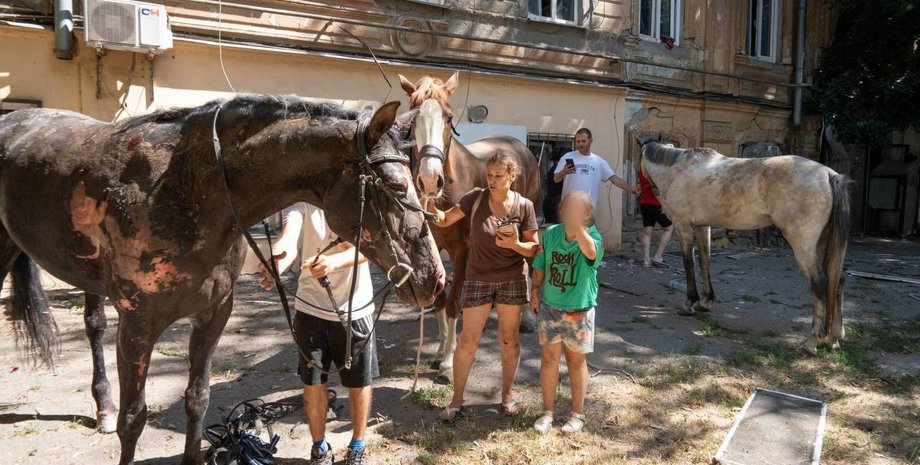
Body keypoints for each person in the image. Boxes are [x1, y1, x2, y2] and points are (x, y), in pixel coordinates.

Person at [259, 203, 377, 465]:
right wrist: (276, 263)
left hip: (355, 310)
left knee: (358, 382)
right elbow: (288, 240)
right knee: (312, 383)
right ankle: (319, 447)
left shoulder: (357, 198)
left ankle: (357, 446)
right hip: (310, 310)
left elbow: (369, 249)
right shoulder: (302, 202)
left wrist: (333, 261)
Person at [425, 151, 540, 423]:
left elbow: (534, 248)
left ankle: (507, 396)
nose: (492, 180)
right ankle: (456, 400)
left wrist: (514, 245)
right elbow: (443, 219)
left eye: (499, 175)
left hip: (512, 279)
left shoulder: (524, 206)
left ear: (512, 176)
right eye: (489, 175)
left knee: (508, 340)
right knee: (467, 340)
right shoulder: (474, 198)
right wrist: (427, 199)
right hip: (477, 278)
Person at [530, 191, 603, 434]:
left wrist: (577, 227)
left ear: (588, 214)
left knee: (576, 361)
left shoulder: (592, 236)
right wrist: (534, 291)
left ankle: (577, 414)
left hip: (579, 311)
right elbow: (540, 265)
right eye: (566, 207)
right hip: (550, 307)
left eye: (575, 208)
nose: (568, 210)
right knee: (549, 360)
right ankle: (547, 413)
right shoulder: (550, 234)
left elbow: (591, 253)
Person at [554, 128, 638, 206]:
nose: (580, 144)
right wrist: (563, 172)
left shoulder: (599, 162)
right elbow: (556, 179)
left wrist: (631, 188)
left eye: (583, 141)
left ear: (591, 140)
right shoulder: (567, 157)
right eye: (578, 141)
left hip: (588, 209)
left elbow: (614, 178)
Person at [638, 171, 674, 267]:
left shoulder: (641, 172)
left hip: (644, 203)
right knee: (669, 228)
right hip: (656, 203)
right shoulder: (656, 171)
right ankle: (658, 257)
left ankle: (646, 261)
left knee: (647, 231)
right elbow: (658, 190)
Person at [542, 147, 566, 224]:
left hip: (549, 202)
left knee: (551, 228)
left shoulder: (552, 169)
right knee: (559, 229)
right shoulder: (560, 170)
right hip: (557, 204)